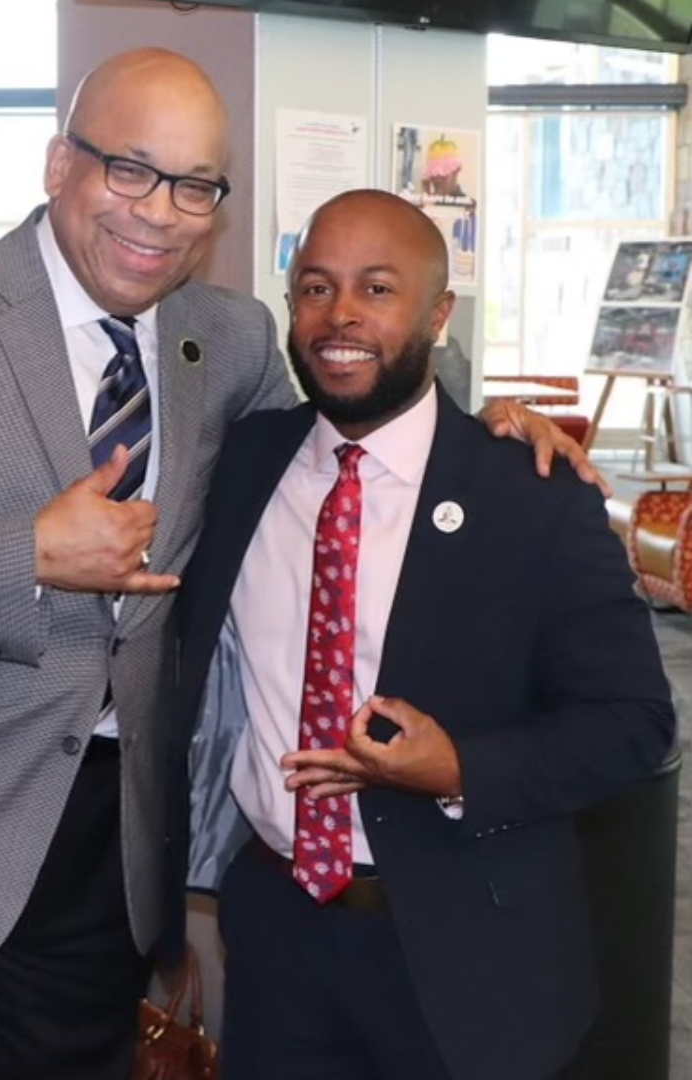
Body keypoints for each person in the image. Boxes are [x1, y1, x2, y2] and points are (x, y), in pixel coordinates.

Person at [0, 46, 598, 1080]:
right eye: (130, 170)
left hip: (110, 846)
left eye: (194, 185)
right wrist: (27, 555)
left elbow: (341, 429)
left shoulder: (230, 337)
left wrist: (488, 432)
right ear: (59, 164)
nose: (159, 213)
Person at [171, 189, 675, 1080]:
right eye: (316, 288)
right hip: (278, 938)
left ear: (439, 315)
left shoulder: (532, 497)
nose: (341, 316)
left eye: (377, 288)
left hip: (470, 955)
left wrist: (457, 769)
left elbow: (634, 723)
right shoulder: (243, 463)